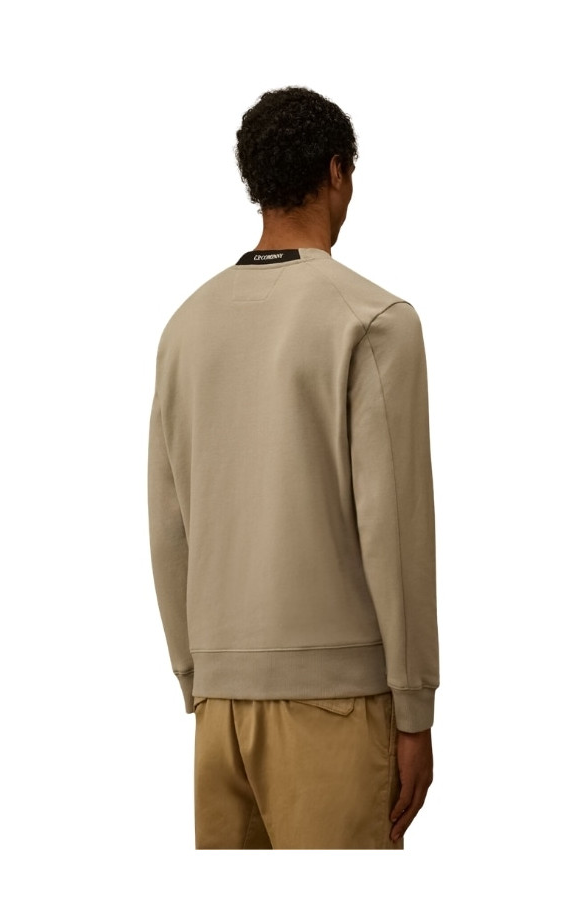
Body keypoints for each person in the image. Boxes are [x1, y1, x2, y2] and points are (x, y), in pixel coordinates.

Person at [147, 86, 439, 850]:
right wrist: (415, 711)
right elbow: (396, 531)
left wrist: (196, 676)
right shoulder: (374, 322)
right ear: (337, 172)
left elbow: (168, 522)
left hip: (219, 713)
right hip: (333, 706)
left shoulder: (185, 327)